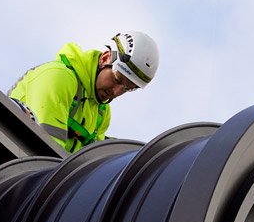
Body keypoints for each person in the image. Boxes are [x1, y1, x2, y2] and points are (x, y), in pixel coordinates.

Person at [9, 32, 158, 154]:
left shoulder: (102, 113)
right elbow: (46, 150)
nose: (116, 92)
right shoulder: (58, 77)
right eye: (118, 79)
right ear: (105, 58)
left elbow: (88, 162)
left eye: (127, 88)